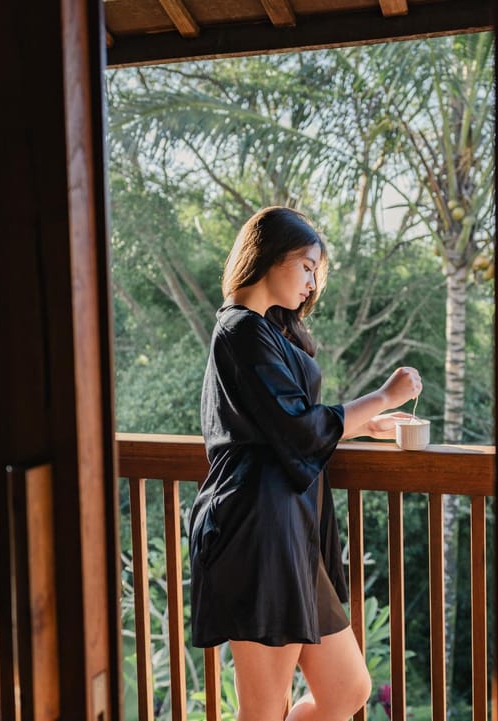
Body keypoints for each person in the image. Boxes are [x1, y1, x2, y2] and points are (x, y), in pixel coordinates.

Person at [190, 206, 422, 721]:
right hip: (258, 534)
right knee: (263, 710)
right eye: (307, 266)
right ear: (268, 258)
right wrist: (382, 397)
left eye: (317, 270)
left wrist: (365, 426)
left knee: (346, 691)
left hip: (291, 533)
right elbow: (296, 429)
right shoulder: (239, 332)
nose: (313, 282)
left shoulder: (265, 332)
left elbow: (288, 426)